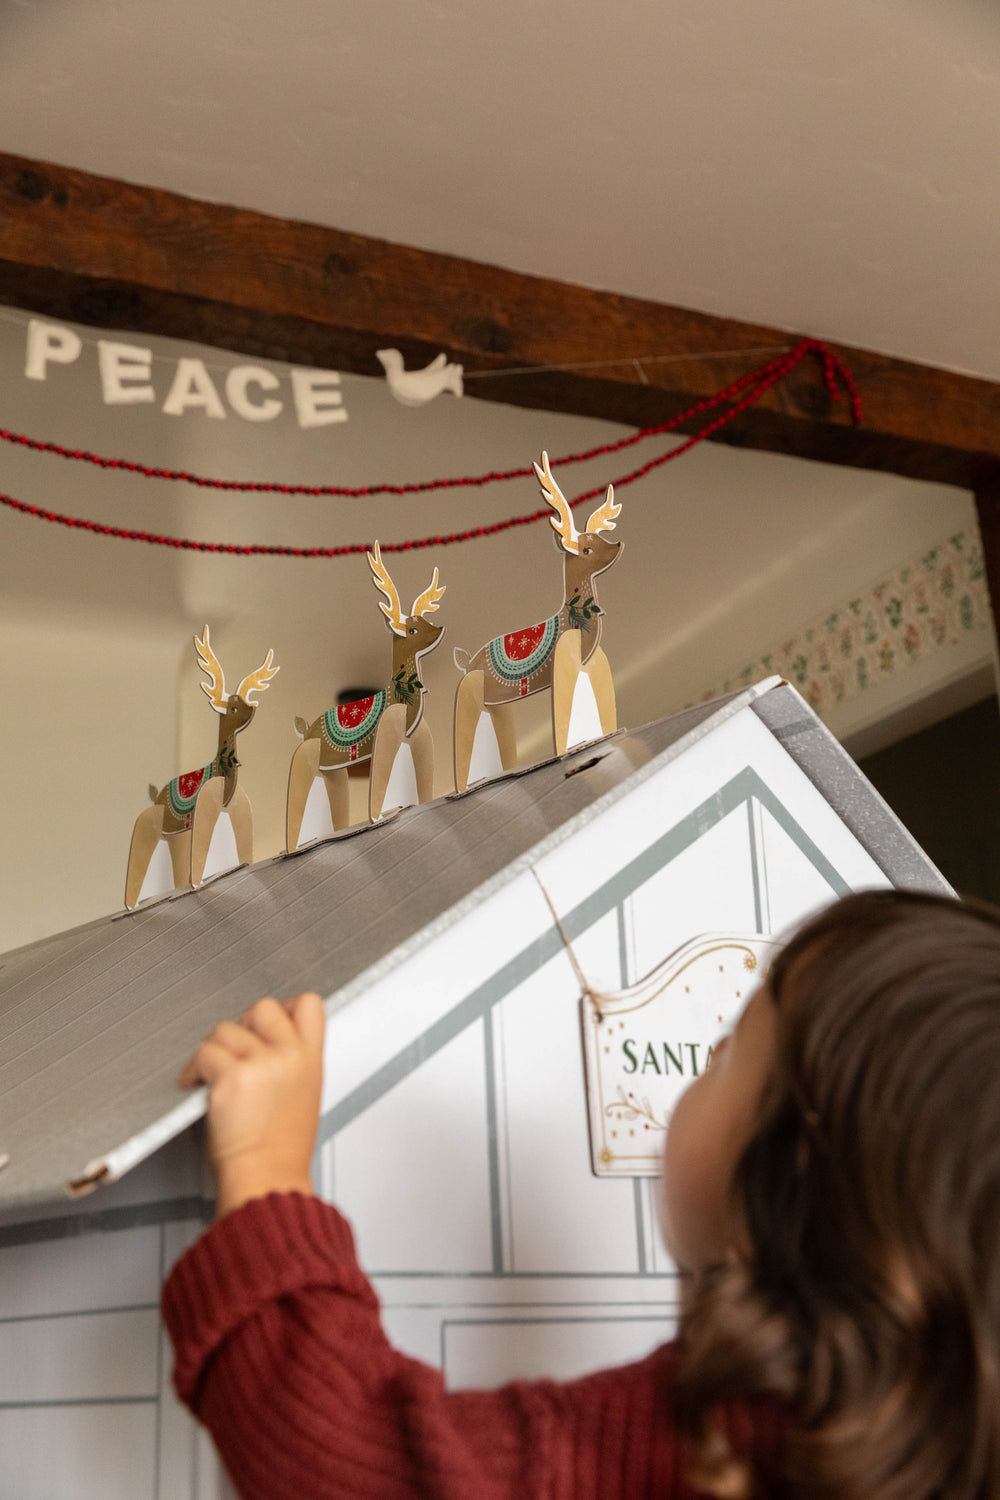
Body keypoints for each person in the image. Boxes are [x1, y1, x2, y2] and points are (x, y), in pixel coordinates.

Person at [162, 889, 1000, 1498]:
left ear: (785, 1175)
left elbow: (357, 1459)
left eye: (722, 1054)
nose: (702, 1071)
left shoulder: (708, 1444)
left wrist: (266, 1167)